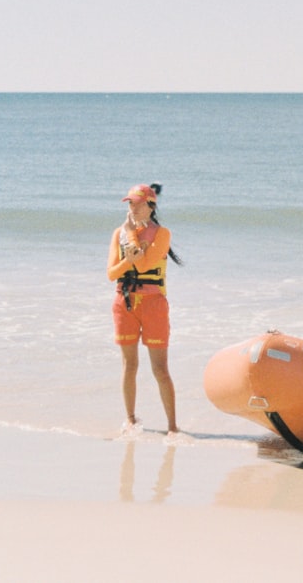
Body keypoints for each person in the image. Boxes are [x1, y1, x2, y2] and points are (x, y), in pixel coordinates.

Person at [107, 183, 183, 434]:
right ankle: (130, 420)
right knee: (129, 366)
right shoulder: (118, 233)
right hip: (124, 302)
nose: (133, 208)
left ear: (151, 206)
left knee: (160, 369)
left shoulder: (162, 234)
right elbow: (111, 273)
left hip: (153, 305)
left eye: (138, 204)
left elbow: (143, 265)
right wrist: (128, 256)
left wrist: (131, 235)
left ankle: (172, 428)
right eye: (130, 203)